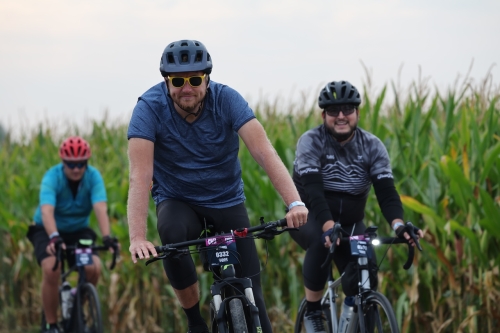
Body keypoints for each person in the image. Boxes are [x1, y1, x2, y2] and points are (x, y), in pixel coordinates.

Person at [126, 39, 308, 333]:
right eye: (178, 81)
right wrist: (137, 238)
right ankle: (195, 321)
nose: (187, 88)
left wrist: (295, 203)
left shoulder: (227, 99)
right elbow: (140, 175)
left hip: (226, 201)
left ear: (207, 78)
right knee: (171, 234)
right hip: (178, 200)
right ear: (166, 81)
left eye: (195, 79)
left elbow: (264, 152)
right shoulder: (149, 108)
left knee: (254, 298)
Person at [290, 81, 424, 333]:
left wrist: (398, 225)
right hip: (311, 216)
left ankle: (353, 313)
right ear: (323, 115)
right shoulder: (311, 141)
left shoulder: (372, 146)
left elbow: (386, 193)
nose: (341, 116)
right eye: (333, 110)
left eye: (347, 109)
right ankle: (314, 310)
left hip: (351, 222)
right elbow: (314, 192)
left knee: (367, 279)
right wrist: (329, 227)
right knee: (321, 240)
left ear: (357, 113)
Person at [27, 136, 118, 333]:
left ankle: (76, 304)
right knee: (53, 267)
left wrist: (107, 237)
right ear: (63, 162)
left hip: (78, 231)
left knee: (93, 268)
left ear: (87, 162)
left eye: (81, 164)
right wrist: (54, 237)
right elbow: (47, 211)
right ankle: (51, 325)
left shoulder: (93, 177)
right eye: (71, 164)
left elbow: (100, 208)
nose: (76, 169)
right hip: (46, 229)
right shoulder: (52, 177)